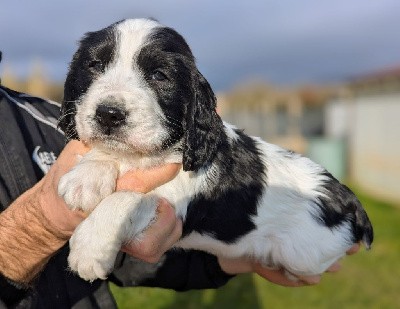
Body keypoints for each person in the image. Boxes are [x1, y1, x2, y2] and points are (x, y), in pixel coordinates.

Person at [0, 81, 359, 308]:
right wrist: (44, 223)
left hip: (305, 220)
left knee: (302, 259)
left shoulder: (41, 116)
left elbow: (133, 258)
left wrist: (235, 259)